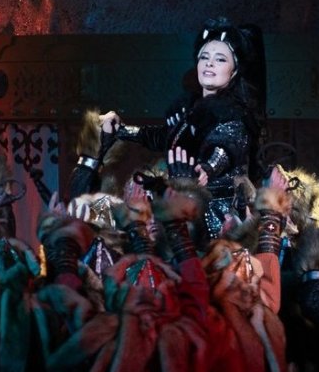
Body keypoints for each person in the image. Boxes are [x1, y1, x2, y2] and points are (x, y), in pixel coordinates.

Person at [99, 16, 266, 240]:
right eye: (204, 57)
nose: (209, 63)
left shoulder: (235, 115)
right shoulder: (188, 112)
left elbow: (226, 145)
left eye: (220, 59)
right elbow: (163, 136)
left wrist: (208, 168)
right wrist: (121, 131)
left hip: (218, 216)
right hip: (180, 205)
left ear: (234, 71)